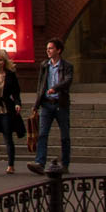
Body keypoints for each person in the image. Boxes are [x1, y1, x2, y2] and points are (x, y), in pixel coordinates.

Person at [28, 37, 73, 175]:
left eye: (51, 48)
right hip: (47, 104)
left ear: (58, 50)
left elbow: (68, 80)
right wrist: (36, 104)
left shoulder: (66, 66)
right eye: (47, 48)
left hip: (60, 104)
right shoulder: (44, 65)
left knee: (64, 135)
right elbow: (40, 85)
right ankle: (40, 163)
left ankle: (65, 164)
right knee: (42, 134)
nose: (48, 50)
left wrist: (55, 88)